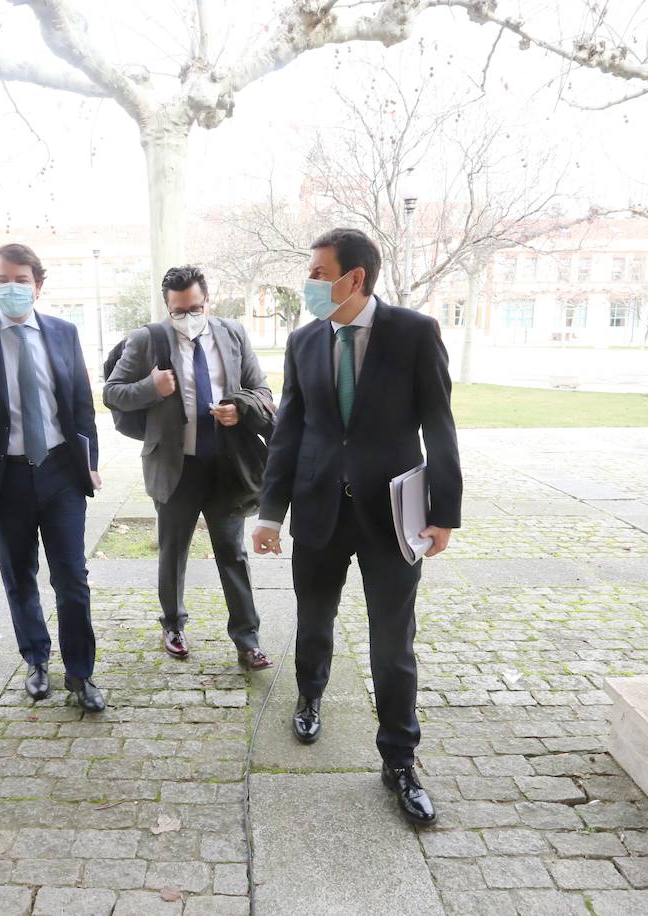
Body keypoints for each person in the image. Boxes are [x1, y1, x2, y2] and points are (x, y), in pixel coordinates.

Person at [253, 227, 462, 825]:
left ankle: (400, 758)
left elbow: (439, 425)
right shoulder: (303, 342)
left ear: (355, 279)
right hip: (318, 509)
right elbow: (290, 430)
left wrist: (444, 511)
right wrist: (270, 513)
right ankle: (310, 694)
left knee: (392, 643)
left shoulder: (414, 333)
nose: (310, 283)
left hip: (391, 516)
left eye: (318, 273)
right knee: (313, 618)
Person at [0, 243, 105, 712]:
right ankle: (35, 658)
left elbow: (80, 404)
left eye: (21, 280)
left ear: (38, 285)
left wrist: (89, 462)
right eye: (2, 280)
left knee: (72, 578)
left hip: (60, 474)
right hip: (1, 478)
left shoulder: (63, 332)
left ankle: (81, 673)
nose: (12, 288)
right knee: (19, 577)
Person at [104, 266, 273, 668]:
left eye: (194, 308)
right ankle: (173, 624)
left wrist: (240, 408)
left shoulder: (232, 334)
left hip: (225, 466)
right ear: (167, 307)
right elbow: (112, 392)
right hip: (174, 465)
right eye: (178, 311)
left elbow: (263, 390)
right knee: (173, 550)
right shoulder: (147, 339)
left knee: (232, 553)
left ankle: (247, 639)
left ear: (207, 302)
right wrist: (151, 387)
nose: (187, 317)